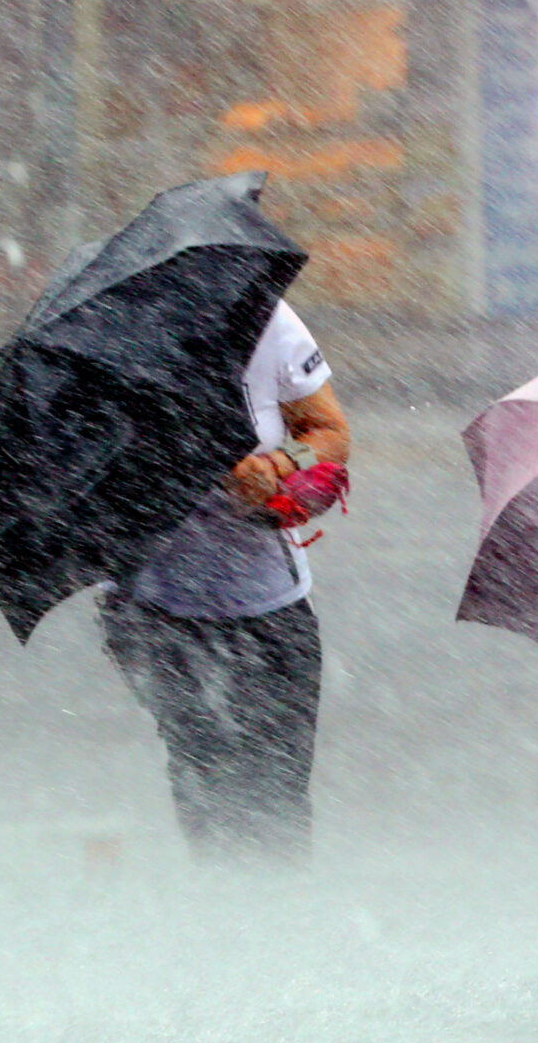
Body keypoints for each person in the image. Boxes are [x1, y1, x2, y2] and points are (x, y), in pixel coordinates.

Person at [98, 299, 351, 860]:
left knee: (278, 788)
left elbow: (330, 431)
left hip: (270, 605)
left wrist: (280, 463)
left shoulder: (270, 322)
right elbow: (91, 469)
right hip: (158, 609)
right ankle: (225, 919)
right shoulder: (114, 336)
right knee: (206, 775)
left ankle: (275, 924)